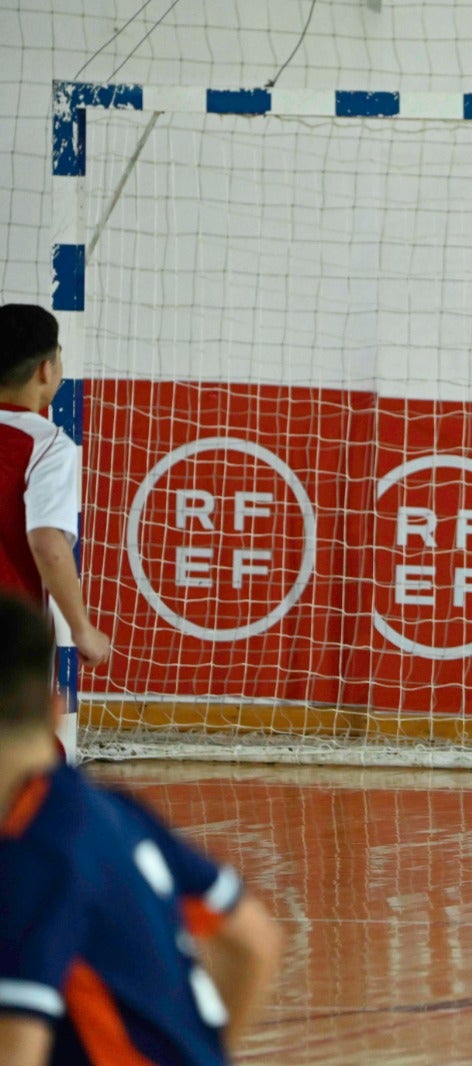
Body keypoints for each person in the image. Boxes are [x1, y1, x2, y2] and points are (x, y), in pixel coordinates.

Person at [0, 594, 281, 1064]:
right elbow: (256, 940)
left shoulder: (32, 857)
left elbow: (15, 1051)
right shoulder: (111, 806)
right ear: (53, 708)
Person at [0, 304, 109, 669]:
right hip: (11, 631)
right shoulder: (46, 444)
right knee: (23, 728)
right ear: (46, 370)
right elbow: (47, 539)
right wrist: (82, 630)